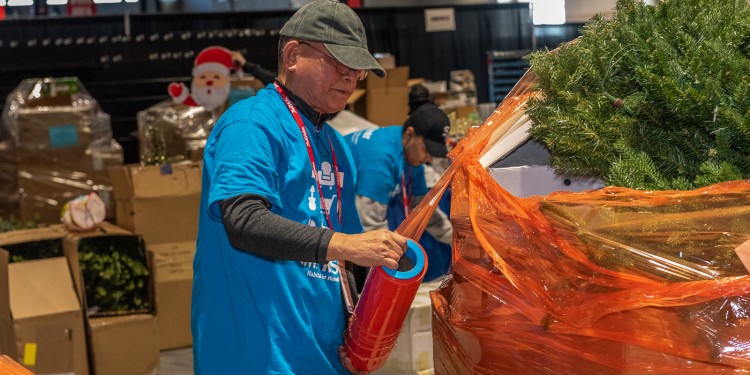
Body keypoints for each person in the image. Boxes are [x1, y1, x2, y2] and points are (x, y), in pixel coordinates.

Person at [191, 1, 408, 374]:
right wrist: (346, 244)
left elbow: (348, 260)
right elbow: (244, 220)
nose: (351, 79)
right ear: (293, 54)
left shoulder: (337, 146)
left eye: (357, 71)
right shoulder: (250, 125)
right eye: (341, 64)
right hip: (257, 357)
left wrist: (365, 332)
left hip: (323, 357)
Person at [345, 84, 453, 288]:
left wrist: (456, 239)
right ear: (410, 135)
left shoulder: (411, 157)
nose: (429, 157)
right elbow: (370, 226)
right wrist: (397, 262)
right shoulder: (381, 158)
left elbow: (423, 211)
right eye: (426, 149)